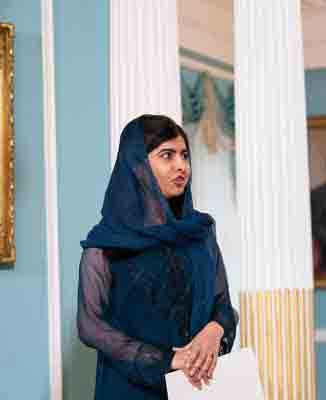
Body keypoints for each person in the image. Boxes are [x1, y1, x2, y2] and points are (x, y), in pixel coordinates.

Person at [77, 115, 238, 399]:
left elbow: (222, 304)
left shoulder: (199, 233)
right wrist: (166, 360)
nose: (181, 166)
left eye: (185, 156)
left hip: (199, 386)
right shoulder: (106, 245)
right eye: (167, 155)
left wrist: (215, 330)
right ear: (138, 167)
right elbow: (90, 326)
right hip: (130, 389)